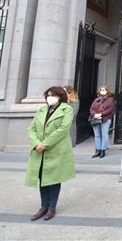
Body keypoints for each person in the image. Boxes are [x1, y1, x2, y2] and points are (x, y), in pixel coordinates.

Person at [25, 86, 76, 221]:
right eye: (48, 95)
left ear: (60, 96)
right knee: (42, 178)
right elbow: (32, 129)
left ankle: (51, 207)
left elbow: (63, 129)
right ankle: (43, 206)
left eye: (53, 95)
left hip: (55, 149)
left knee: (53, 179)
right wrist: (37, 143)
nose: (50, 97)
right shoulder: (42, 110)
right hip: (39, 150)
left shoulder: (67, 109)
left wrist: (45, 143)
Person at [89, 85, 116, 158]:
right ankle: (98, 150)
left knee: (104, 135)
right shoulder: (96, 100)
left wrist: (101, 114)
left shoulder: (110, 100)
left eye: (104, 90)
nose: (102, 91)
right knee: (97, 135)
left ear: (107, 91)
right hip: (96, 119)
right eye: (101, 90)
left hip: (106, 119)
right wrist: (95, 115)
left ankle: (103, 150)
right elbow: (91, 108)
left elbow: (110, 109)